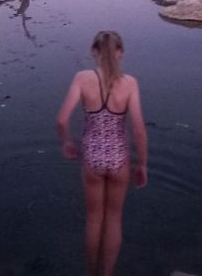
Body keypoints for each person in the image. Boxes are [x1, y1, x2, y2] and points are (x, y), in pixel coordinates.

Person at [56, 30, 148, 276]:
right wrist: (143, 164)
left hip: (92, 158)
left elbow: (62, 120)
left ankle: (91, 272)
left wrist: (66, 143)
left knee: (94, 218)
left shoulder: (82, 79)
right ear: (121, 54)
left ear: (93, 52)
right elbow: (138, 129)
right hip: (119, 159)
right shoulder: (130, 84)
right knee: (114, 219)